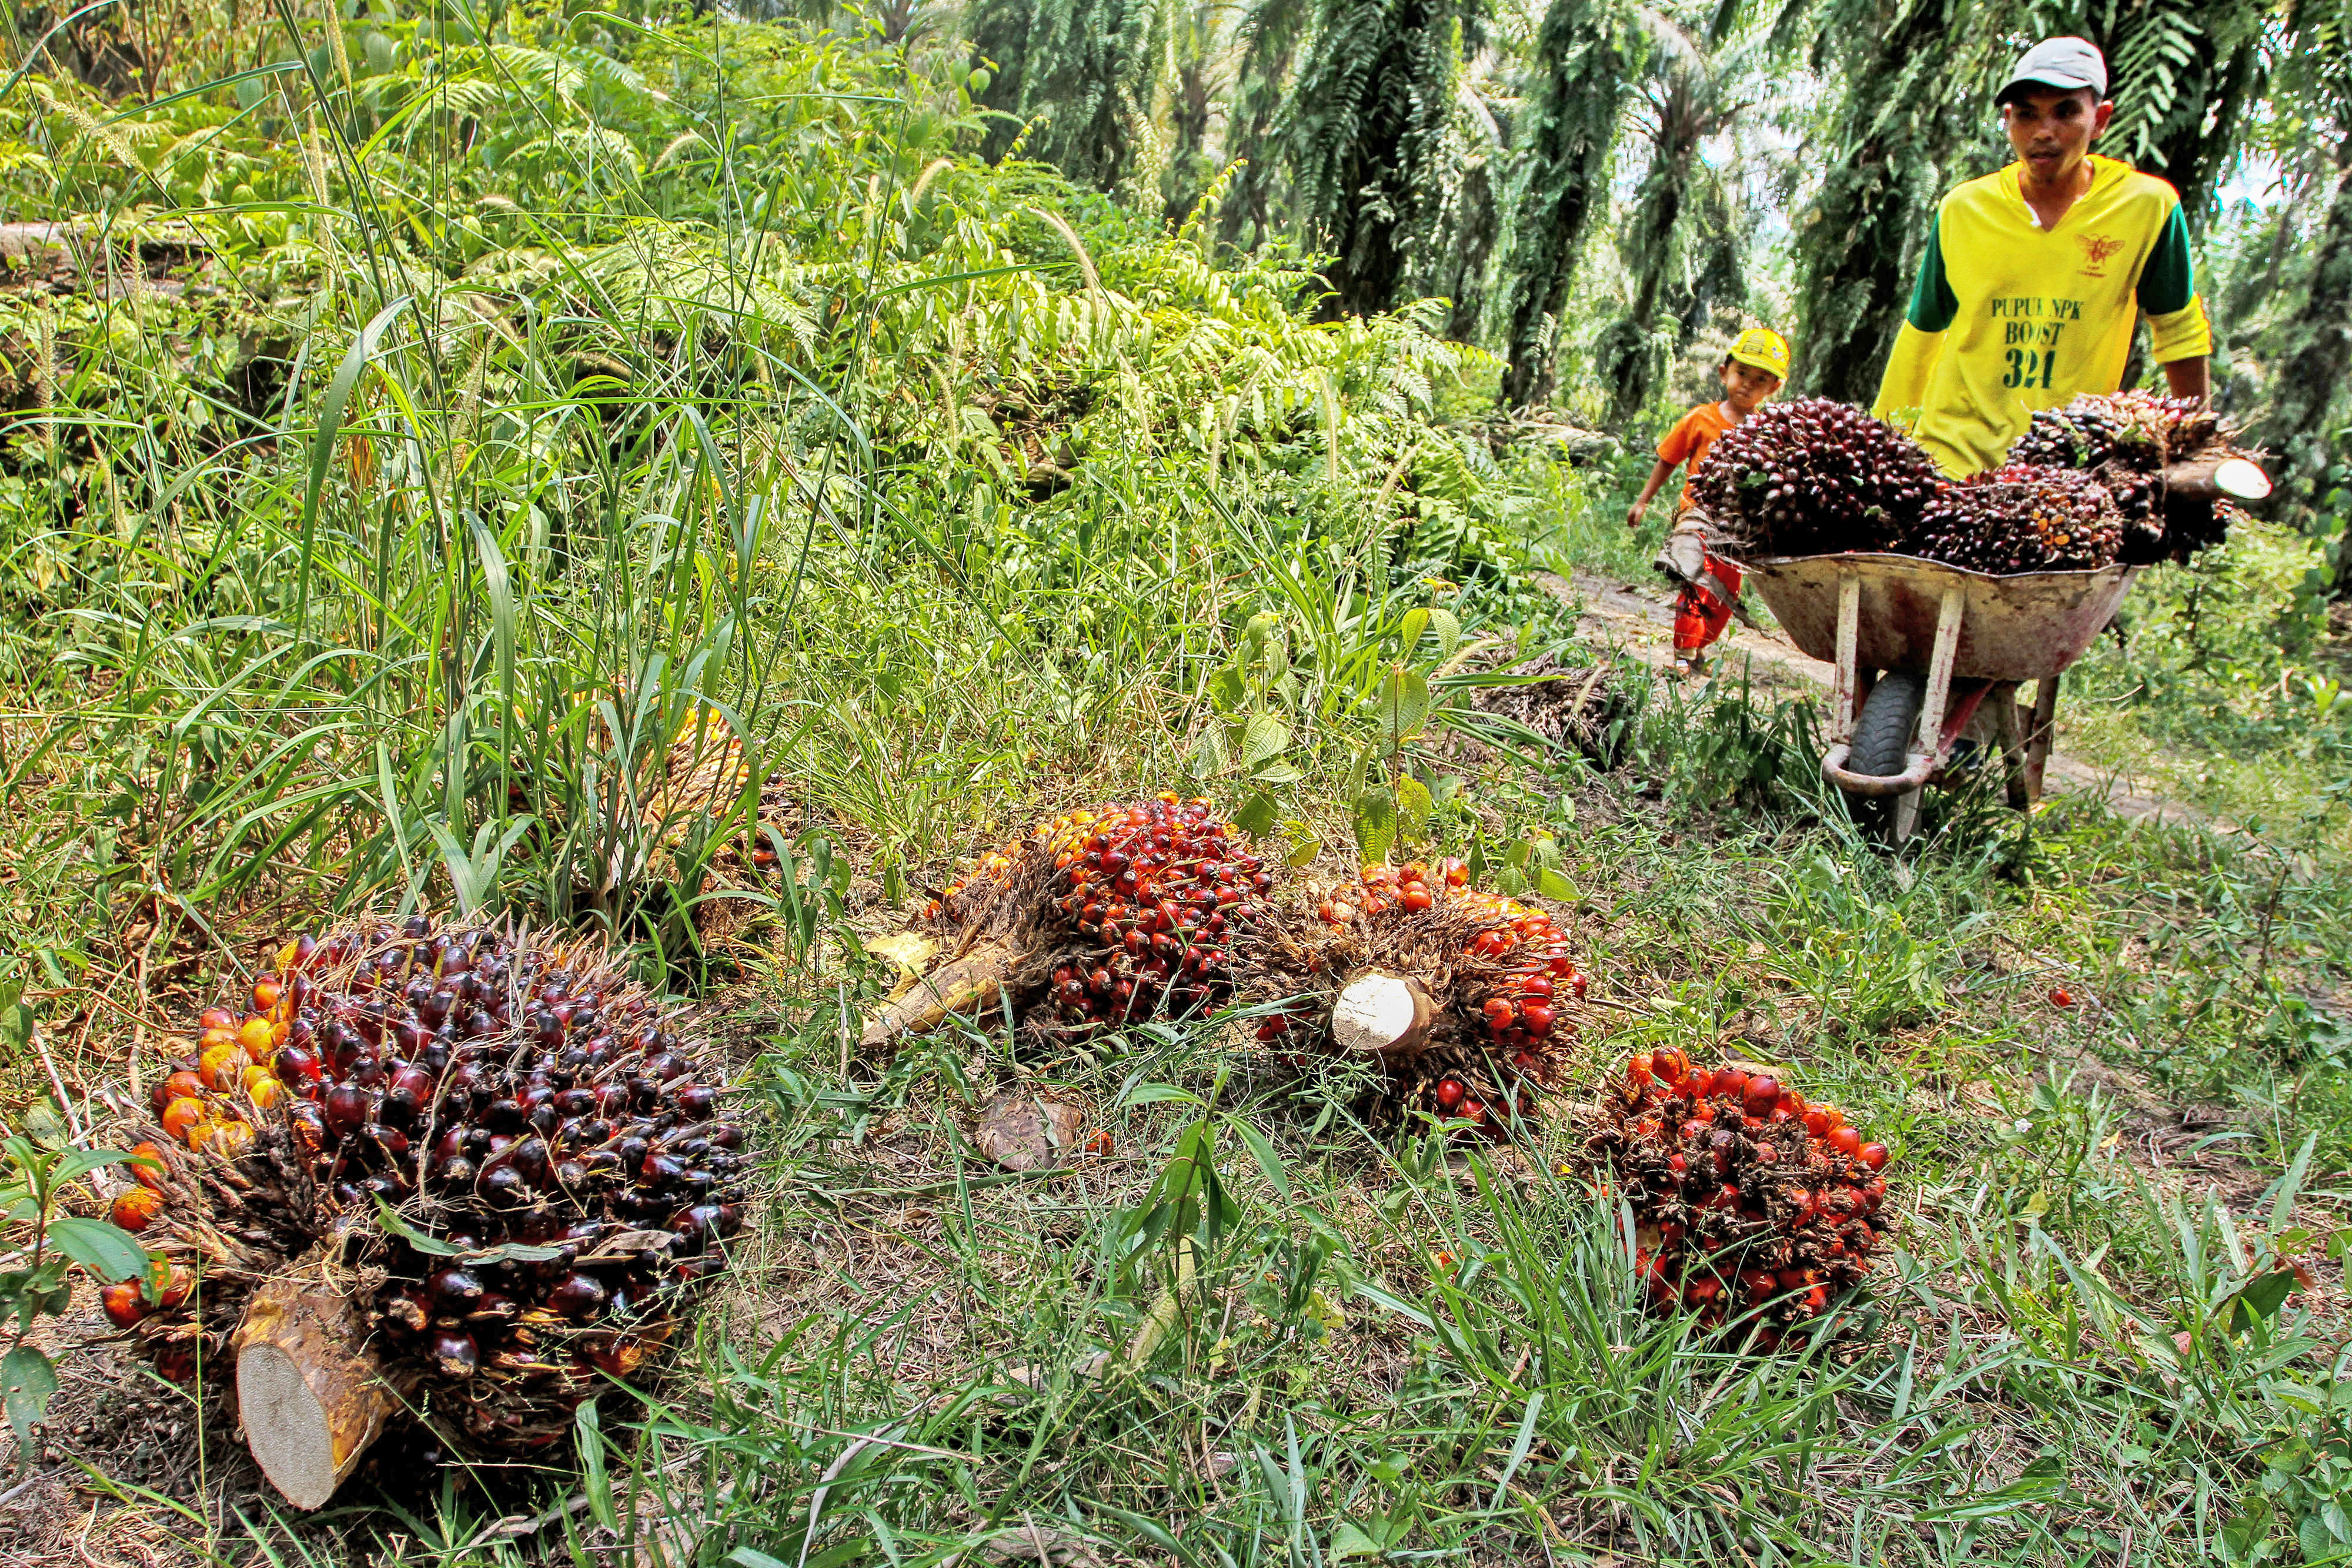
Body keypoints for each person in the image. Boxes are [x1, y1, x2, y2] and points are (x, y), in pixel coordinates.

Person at [1875, 36, 2211, 477]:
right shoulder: (1964, 208)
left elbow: (2179, 329)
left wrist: (2197, 448)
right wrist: (1881, 446)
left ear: (2100, 120)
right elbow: (1924, 329)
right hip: (1952, 458)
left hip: (2065, 465)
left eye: (2066, 112)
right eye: (2027, 114)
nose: (2044, 132)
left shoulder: (2147, 208)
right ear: (2008, 120)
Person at [1626, 326, 1790, 676]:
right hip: (1697, 516)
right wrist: (1642, 501)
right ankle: (1683, 653)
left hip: (1739, 526)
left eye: (1760, 380)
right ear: (1724, 372)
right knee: (1695, 579)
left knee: (1726, 592)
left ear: (1773, 388)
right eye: (1742, 373)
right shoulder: (1701, 419)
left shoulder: (1769, 430)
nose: (1747, 385)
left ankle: (1698, 646)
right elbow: (1668, 459)